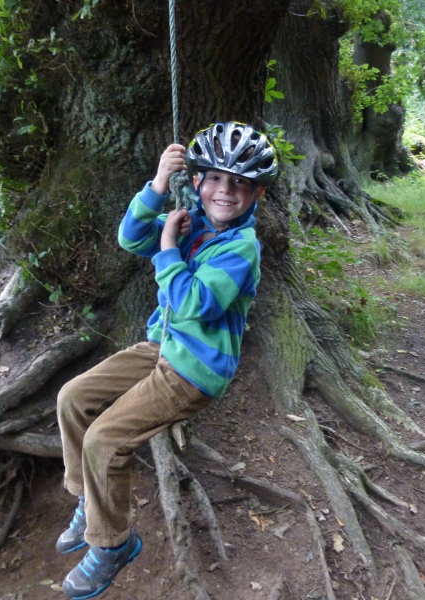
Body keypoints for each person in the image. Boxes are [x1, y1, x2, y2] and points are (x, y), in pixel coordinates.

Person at [55, 121, 278, 599]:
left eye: (239, 183)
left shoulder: (242, 248)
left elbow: (197, 302)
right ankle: (88, 502)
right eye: (215, 178)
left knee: (106, 441)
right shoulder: (190, 218)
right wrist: (158, 186)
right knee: (73, 398)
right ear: (196, 181)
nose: (225, 191)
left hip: (193, 369)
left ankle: (113, 543)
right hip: (162, 347)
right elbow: (130, 238)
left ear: (256, 193)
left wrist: (168, 248)